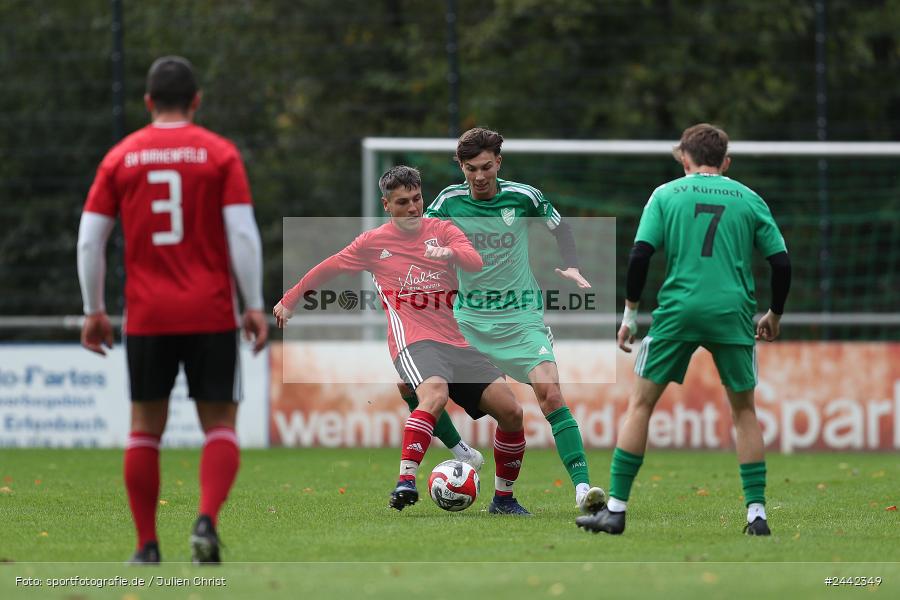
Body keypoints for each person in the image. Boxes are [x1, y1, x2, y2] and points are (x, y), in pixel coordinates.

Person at [77, 56, 267, 564]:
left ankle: (146, 546)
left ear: (147, 102)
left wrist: (93, 309)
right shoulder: (219, 154)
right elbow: (243, 235)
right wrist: (253, 304)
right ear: (197, 100)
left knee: (144, 428)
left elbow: (90, 242)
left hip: (147, 316)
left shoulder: (121, 156)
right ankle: (206, 520)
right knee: (221, 423)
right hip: (210, 313)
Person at [274, 165, 531, 515]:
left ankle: (503, 500)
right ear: (386, 205)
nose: (413, 208)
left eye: (417, 199)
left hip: (457, 341)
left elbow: (474, 261)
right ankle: (405, 481)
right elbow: (329, 267)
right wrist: (290, 300)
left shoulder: (442, 229)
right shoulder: (372, 243)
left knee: (512, 412)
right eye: (403, 202)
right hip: (413, 340)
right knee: (435, 392)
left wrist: (451, 253)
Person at [576, 123, 791, 536]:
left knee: (641, 405)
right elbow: (781, 263)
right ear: (725, 162)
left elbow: (640, 255)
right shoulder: (749, 198)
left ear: (683, 158)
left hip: (680, 309)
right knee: (744, 412)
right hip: (733, 312)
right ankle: (757, 515)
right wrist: (774, 314)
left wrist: (630, 315)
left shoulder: (666, 194)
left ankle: (616, 511)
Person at [399, 127, 605, 514]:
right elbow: (420, 242)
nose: (479, 177)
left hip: (520, 318)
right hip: (467, 320)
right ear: (461, 166)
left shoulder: (524, 196)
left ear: (499, 163)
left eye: (487, 167)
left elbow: (560, 227)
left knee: (551, 393)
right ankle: (462, 451)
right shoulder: (447, 201)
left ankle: (582, 489)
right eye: (471, 168)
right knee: (407, 384)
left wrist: (572, 264)